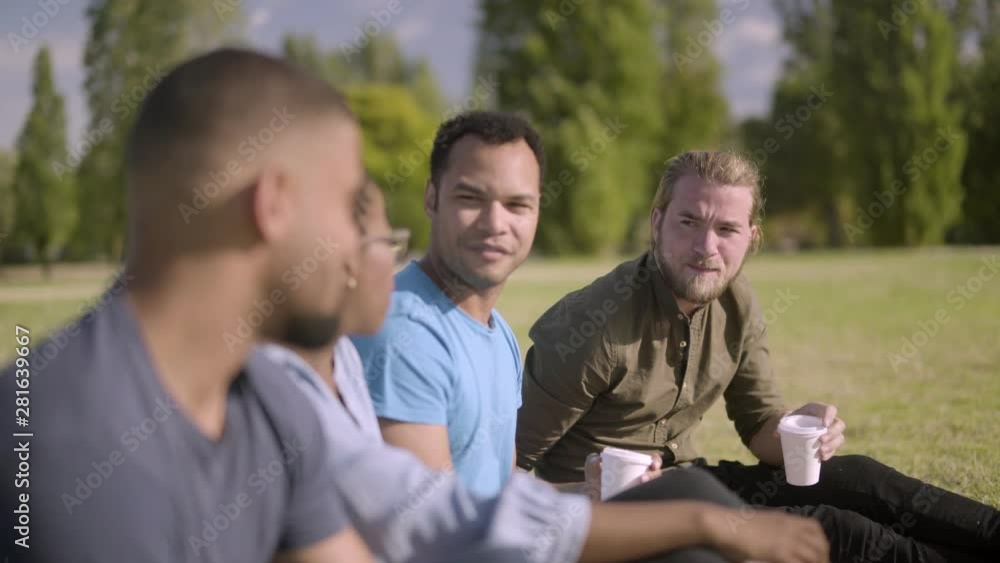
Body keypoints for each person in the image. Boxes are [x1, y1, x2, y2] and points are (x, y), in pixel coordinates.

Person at [259, 178, 831, 563]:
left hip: (546, 523)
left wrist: (581, 491)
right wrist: (699, 522)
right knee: (694, 511)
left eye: (519, 205)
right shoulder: (387, 342)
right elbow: (439, 521)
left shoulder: (488, 338)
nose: (393, 264)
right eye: (385, 243)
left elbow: (496, 485)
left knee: (727, 495)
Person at [515, 150, 1000, 562]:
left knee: (861, 478)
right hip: (608, 521)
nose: (706, 247)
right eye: (688, 222)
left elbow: (759, 427)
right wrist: (583, 492)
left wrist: (804, 429)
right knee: (836, 530)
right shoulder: (591, 327)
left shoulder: (736, 302)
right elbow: (500, 478)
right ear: (657, 222)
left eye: (726, 228)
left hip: (690, 481)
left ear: (752, 237)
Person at [0, 48, 374, 562]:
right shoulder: (60, 442)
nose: (357, 245)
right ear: (273, 203)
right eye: (351, 208)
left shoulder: (273, 407)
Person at [351, 111, 658, 500]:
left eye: (517, 204)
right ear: (432, 198)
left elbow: (501, 490)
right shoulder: (402, 331)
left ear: (537, 212)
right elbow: (430, 522)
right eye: (470, 198)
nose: (494, 222)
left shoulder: (498, 334)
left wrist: (589, 492)